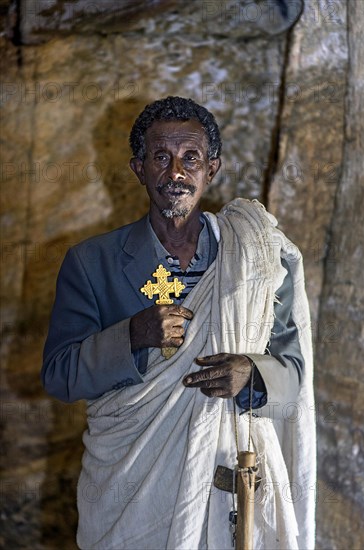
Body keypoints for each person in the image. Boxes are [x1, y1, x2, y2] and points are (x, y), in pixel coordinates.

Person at [41, 96, 315, 549]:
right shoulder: (92, 262)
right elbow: (59, 375)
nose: (175, 173)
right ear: (138, 168)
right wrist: (131, 336)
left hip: (229, 488)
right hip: (130, 496)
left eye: (190, 158)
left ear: (212, 168)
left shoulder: (255, 258)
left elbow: (293, 374)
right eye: (161, 158)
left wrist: (254, 375)